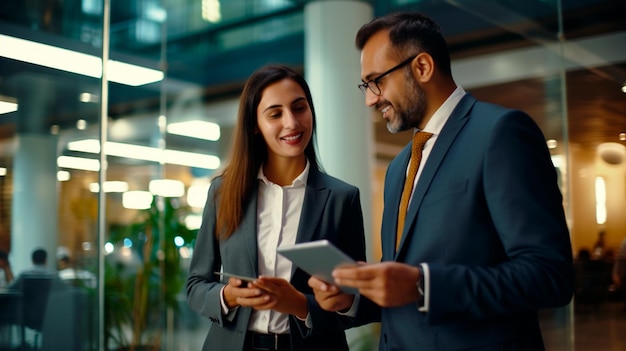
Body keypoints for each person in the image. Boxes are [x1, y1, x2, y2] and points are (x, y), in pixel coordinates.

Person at [308, 12, 575, 350]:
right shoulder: (399, 167)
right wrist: (355, 297)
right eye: (366, 85)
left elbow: (548, 276)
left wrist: (424, 285)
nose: (370, 99)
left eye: (377, 81)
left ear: (422, 67)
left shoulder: (501, 133)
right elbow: (405, 290)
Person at [186, 64, 366, 351]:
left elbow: (356, 301)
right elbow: (195, 284)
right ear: (255, 125)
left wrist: (301, 305)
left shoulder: (342, 198)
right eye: (275, 114)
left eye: (299, 108)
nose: (292, 123)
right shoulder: (223, 192)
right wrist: (229, 296)